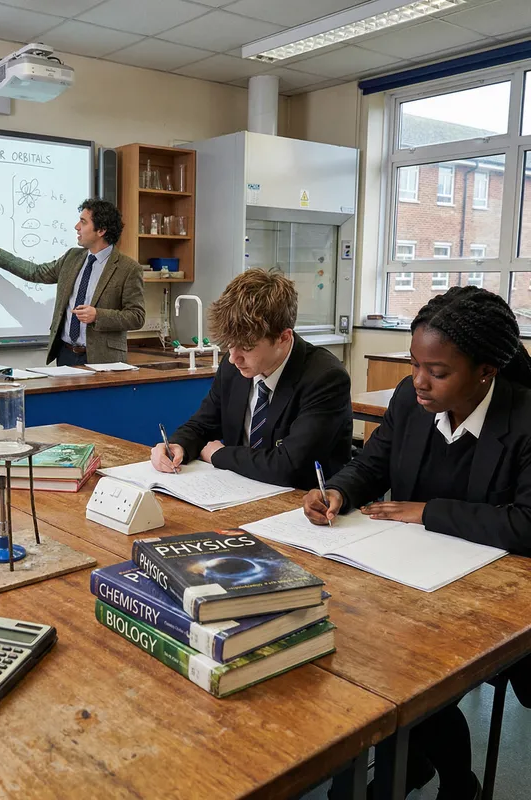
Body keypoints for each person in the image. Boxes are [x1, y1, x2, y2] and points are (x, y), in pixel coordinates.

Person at [306, 286, 531, 800]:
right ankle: (417, 761)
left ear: (486, 372)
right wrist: (337, 491)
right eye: (413, 365)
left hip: (496, 596)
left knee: (410, 671)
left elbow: (527, 523)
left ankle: (454, 780)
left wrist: (429, 512)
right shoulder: (410, 401)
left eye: (438, 371)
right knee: (361, 645)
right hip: (413, 578)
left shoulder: (524, 419)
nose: (419, 382)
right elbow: (371, 464)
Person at [151, 269, 352, 490]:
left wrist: (220, 454)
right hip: (240, 490)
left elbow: (289, 467)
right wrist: (178, 445)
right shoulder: (234, 366)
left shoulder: (325, 378)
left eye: (246, 347)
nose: (233, 357)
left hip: (302, 504)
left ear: (283, 338)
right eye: (230, 344)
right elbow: (203, 424)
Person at [0, 198, 144, 366]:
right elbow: (36, 272)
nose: (77, 227)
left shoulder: (128, 268)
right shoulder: (72, 257)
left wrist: (98, 315)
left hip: (104, 360)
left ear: (101, 230)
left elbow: (137, 316)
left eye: (83, 222)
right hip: (66, 355)